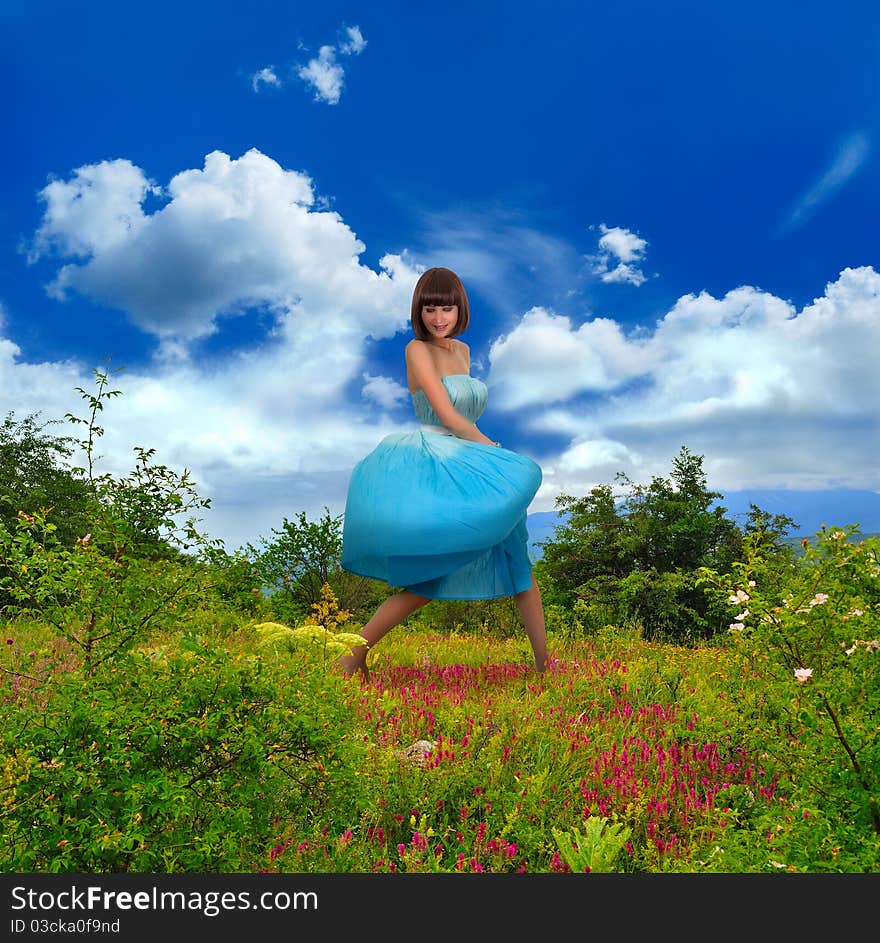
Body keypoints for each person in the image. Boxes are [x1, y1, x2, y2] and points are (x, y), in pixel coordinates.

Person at [338, 266, 549, 679]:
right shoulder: (416, 350)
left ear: (459, 310)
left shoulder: (463, 351)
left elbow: (464, 413)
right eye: (430, 309)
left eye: (446, 309)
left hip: (472, 459)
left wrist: (487, 452)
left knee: (518, 564)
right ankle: (352, 654)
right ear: (419, 311)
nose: (438, 318)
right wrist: (492, 449)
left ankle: (546, 666)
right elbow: (449, 414)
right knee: (431, 580)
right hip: (437, 461)